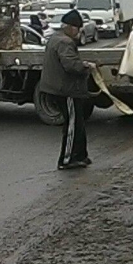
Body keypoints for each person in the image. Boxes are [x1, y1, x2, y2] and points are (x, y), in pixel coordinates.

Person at [40, 10, 95, 170]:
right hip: (65, 90)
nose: (79, 32)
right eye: (78, 28)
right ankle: (66, 160)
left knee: (78, 123)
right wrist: (86, 66)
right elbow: (71, 65)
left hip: (62, 89)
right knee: (72, 125)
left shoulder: (56, 39)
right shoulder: (65, 42)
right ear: (70, 27)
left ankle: (80, 155)